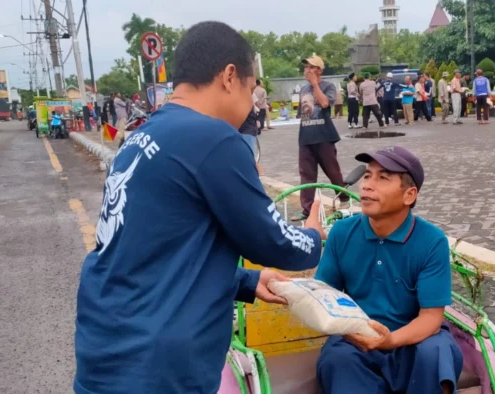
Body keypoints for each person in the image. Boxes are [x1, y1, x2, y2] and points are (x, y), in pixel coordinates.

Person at [74, 21, 327, 394]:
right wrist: (315, 235)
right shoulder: (212, 137)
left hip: (106, 349)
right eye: (251, 87)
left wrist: (249, 281)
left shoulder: (143, 134)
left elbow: (158, 250)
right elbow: (273, 241)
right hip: (157, 365)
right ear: (229, 76)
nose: (251, 103)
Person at [315, 146, 463, 394]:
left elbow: (431, 318)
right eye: (367, 176)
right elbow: (323, 296)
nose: (367, 185)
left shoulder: (431, 241)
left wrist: (390, 340)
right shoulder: (341, 234)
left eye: (383, 178)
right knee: (338, 358)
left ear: (409, 195)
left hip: (413, 337)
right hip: (358, 339)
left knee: (436, 351)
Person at [292, 54, 351, 221]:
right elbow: (302, 113)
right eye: (306, 67)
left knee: (333, 171)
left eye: (311, 67)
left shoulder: (328, 86)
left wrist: (315, 84)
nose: (307, 70)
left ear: (319, 70)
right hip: (306, 136)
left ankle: (344, 198)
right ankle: (307, 209)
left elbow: (325, 104)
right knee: (306, 174)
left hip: (324, 136)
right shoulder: (303, 89)